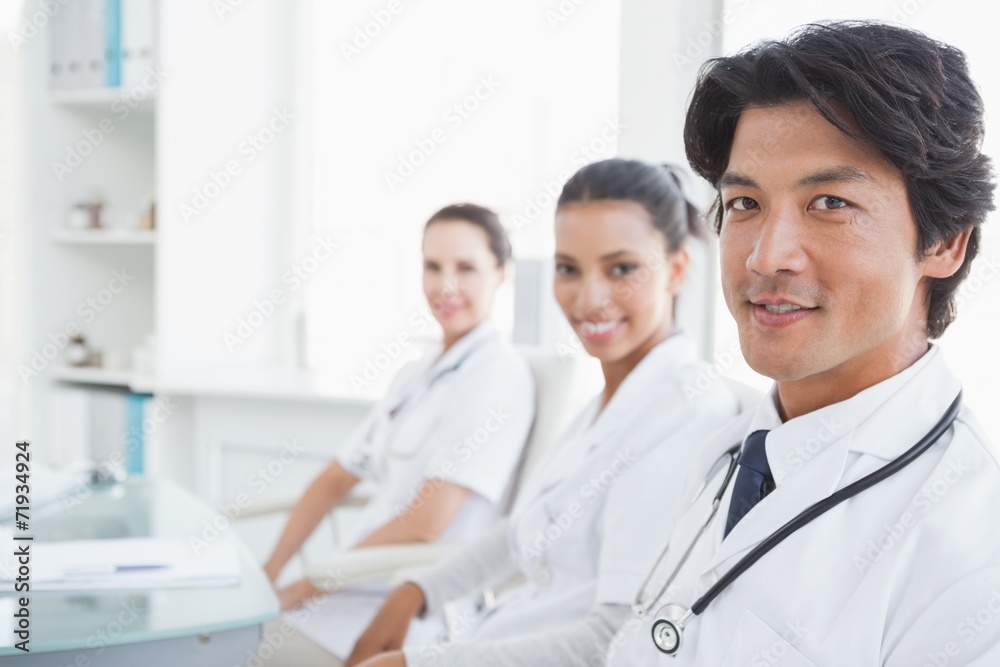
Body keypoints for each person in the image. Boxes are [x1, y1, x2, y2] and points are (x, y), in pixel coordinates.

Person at [606, 21, 1000, 666]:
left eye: (829, 202)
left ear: (944, 242)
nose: (767, 256)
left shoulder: (973, 546)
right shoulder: (728, 453)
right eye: (744, 204)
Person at [346, 158, 741, 667]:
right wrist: (415, 592)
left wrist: (414, 664)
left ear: (678, 269)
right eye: (568, 269)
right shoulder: (605, 402)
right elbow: (521, 535)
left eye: (621, 269)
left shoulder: (687, 415)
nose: (589, 298)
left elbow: (616, 639)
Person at [261, 203, 536, 662]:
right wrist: (268, 576)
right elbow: (334, 480)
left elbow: (426, 524)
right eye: (433, 266)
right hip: (349, 586)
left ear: (501, 273)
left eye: (466, 268)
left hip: (409, 608)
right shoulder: (415, 374)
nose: (445, 285)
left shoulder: (497, 376)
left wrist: (308, 585)